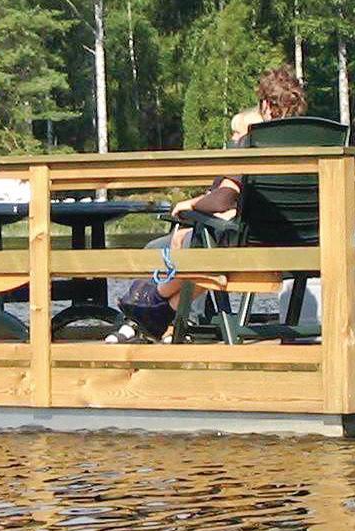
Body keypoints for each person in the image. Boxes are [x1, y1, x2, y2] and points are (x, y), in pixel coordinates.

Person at [111, 70, 309, 341]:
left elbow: (223, 198)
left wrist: (189, 206)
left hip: (246, 249)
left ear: (264, 104)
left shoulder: (255, 143)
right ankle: (157, 313)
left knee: (176, 248)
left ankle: (150, 302)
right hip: (299, 246)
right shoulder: (314, 145)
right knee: (197, 249)